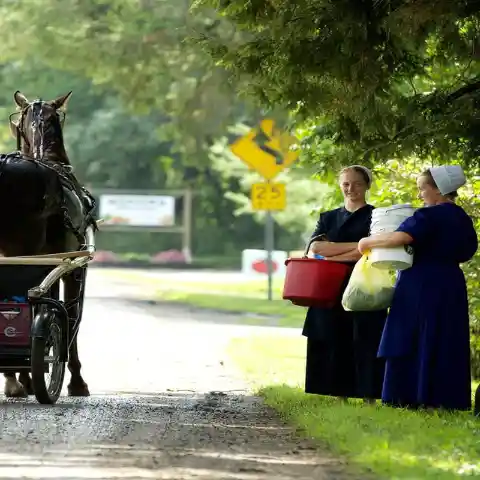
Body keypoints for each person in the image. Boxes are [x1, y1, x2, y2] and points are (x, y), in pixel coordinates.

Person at [358, 165, 478, 411]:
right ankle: (445, 399)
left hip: (420, 281)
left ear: (438, 190)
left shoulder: (429, 215)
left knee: (412, 334)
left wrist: (366, 242)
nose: (420, 194)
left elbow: (401, 238)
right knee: (445, 337)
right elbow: (468, 252)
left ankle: (409, 396)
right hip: (451, 282)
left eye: (423, 188)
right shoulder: (462, 218)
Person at [303, 165, 387, 404]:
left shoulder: (377, 217)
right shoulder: (328, 217)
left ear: (367, 186)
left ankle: (369, 396)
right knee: (334, 336)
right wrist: (359, 245)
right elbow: (315, 248)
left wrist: (334, 254)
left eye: (357, 184)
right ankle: (339, 395)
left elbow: (373, 252)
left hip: (364, 282)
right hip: (329, 285)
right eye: (346, 184)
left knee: (365, 337)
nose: (351, 189)